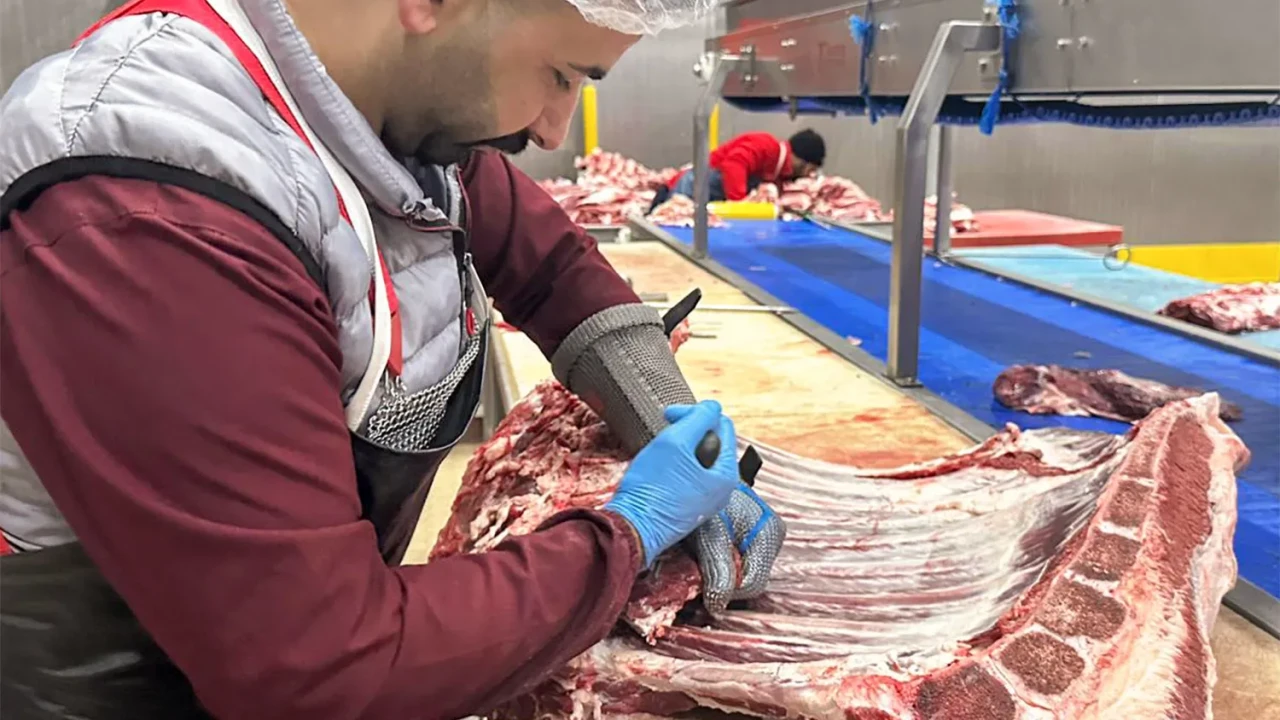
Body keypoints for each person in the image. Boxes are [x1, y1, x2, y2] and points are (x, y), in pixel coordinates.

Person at [0, 0, 786, 717]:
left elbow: (549, 265)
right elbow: (316, 664)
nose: (555, 132)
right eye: (561, 75)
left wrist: (659, 415)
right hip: (128, 683)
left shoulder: (380, 108)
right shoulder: (150, 214)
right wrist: (627, 537)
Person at [653, 128, 826, 209]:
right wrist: (739, 205)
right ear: (801, 161)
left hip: (703, 204)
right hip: (684, 194)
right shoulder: (766, 146)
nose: (807, 175)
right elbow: (733, 164)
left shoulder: (777, 174)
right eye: (809, 170)